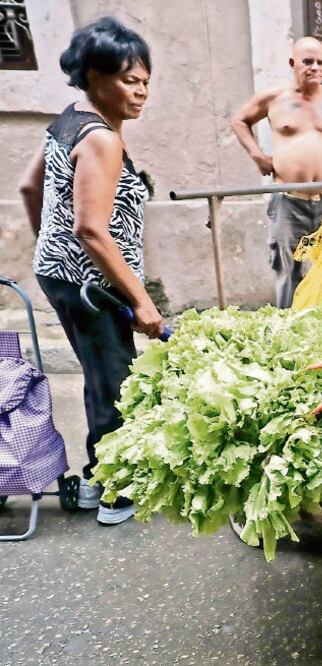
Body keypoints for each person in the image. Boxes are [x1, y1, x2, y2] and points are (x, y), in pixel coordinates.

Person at [17, 16, 164, 525]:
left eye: (145, 80)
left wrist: (50, 247)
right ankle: (111, 489)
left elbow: (28, 188)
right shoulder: (102, 139)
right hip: (91, 285)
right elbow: (93, 231)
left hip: (62, 274)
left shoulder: (68, 119)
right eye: (129, 80)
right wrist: (141, 301)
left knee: (102, 372)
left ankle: (101, 474)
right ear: (94, 77)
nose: (142, 91)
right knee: (114, 378)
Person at [231, 36, 322, 308]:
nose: (314, 67)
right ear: (293, 63)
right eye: (307, 61)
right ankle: (287, 329)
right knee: (289, 271)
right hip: (289, 200)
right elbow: (239, 120)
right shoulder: (275, 98)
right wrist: (257, 156)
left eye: (320, 63)